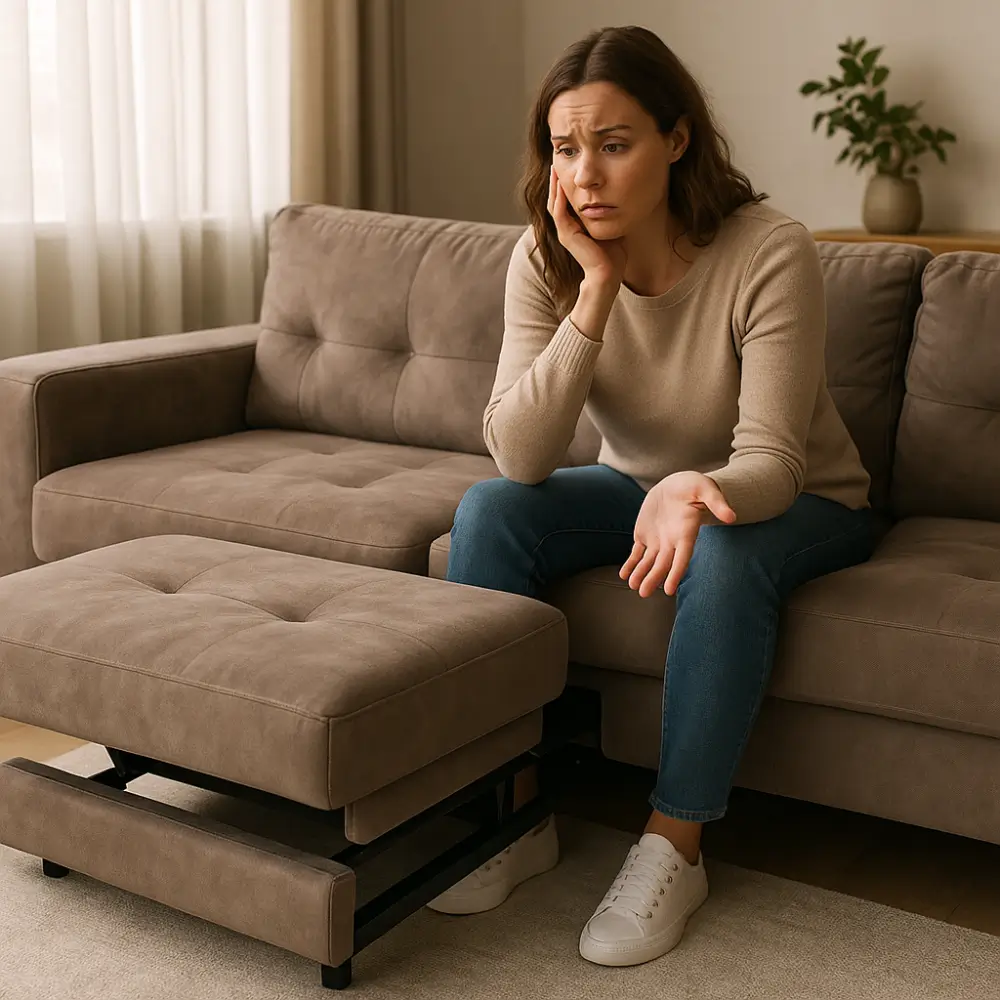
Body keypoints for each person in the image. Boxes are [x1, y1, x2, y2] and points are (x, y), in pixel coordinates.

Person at [427, 24, 877, 969]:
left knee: (724, 542)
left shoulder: (769, 250)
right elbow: (517, 452)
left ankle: (675, 843)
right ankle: (514, 812)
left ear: (676, 141)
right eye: (565, 149)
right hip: (639, 484)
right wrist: (592, 291)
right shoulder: (547, 259)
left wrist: (694, 487)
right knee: (491, 512)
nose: (585, 174)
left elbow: (774, 462)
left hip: (798, 501)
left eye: (614, 144)